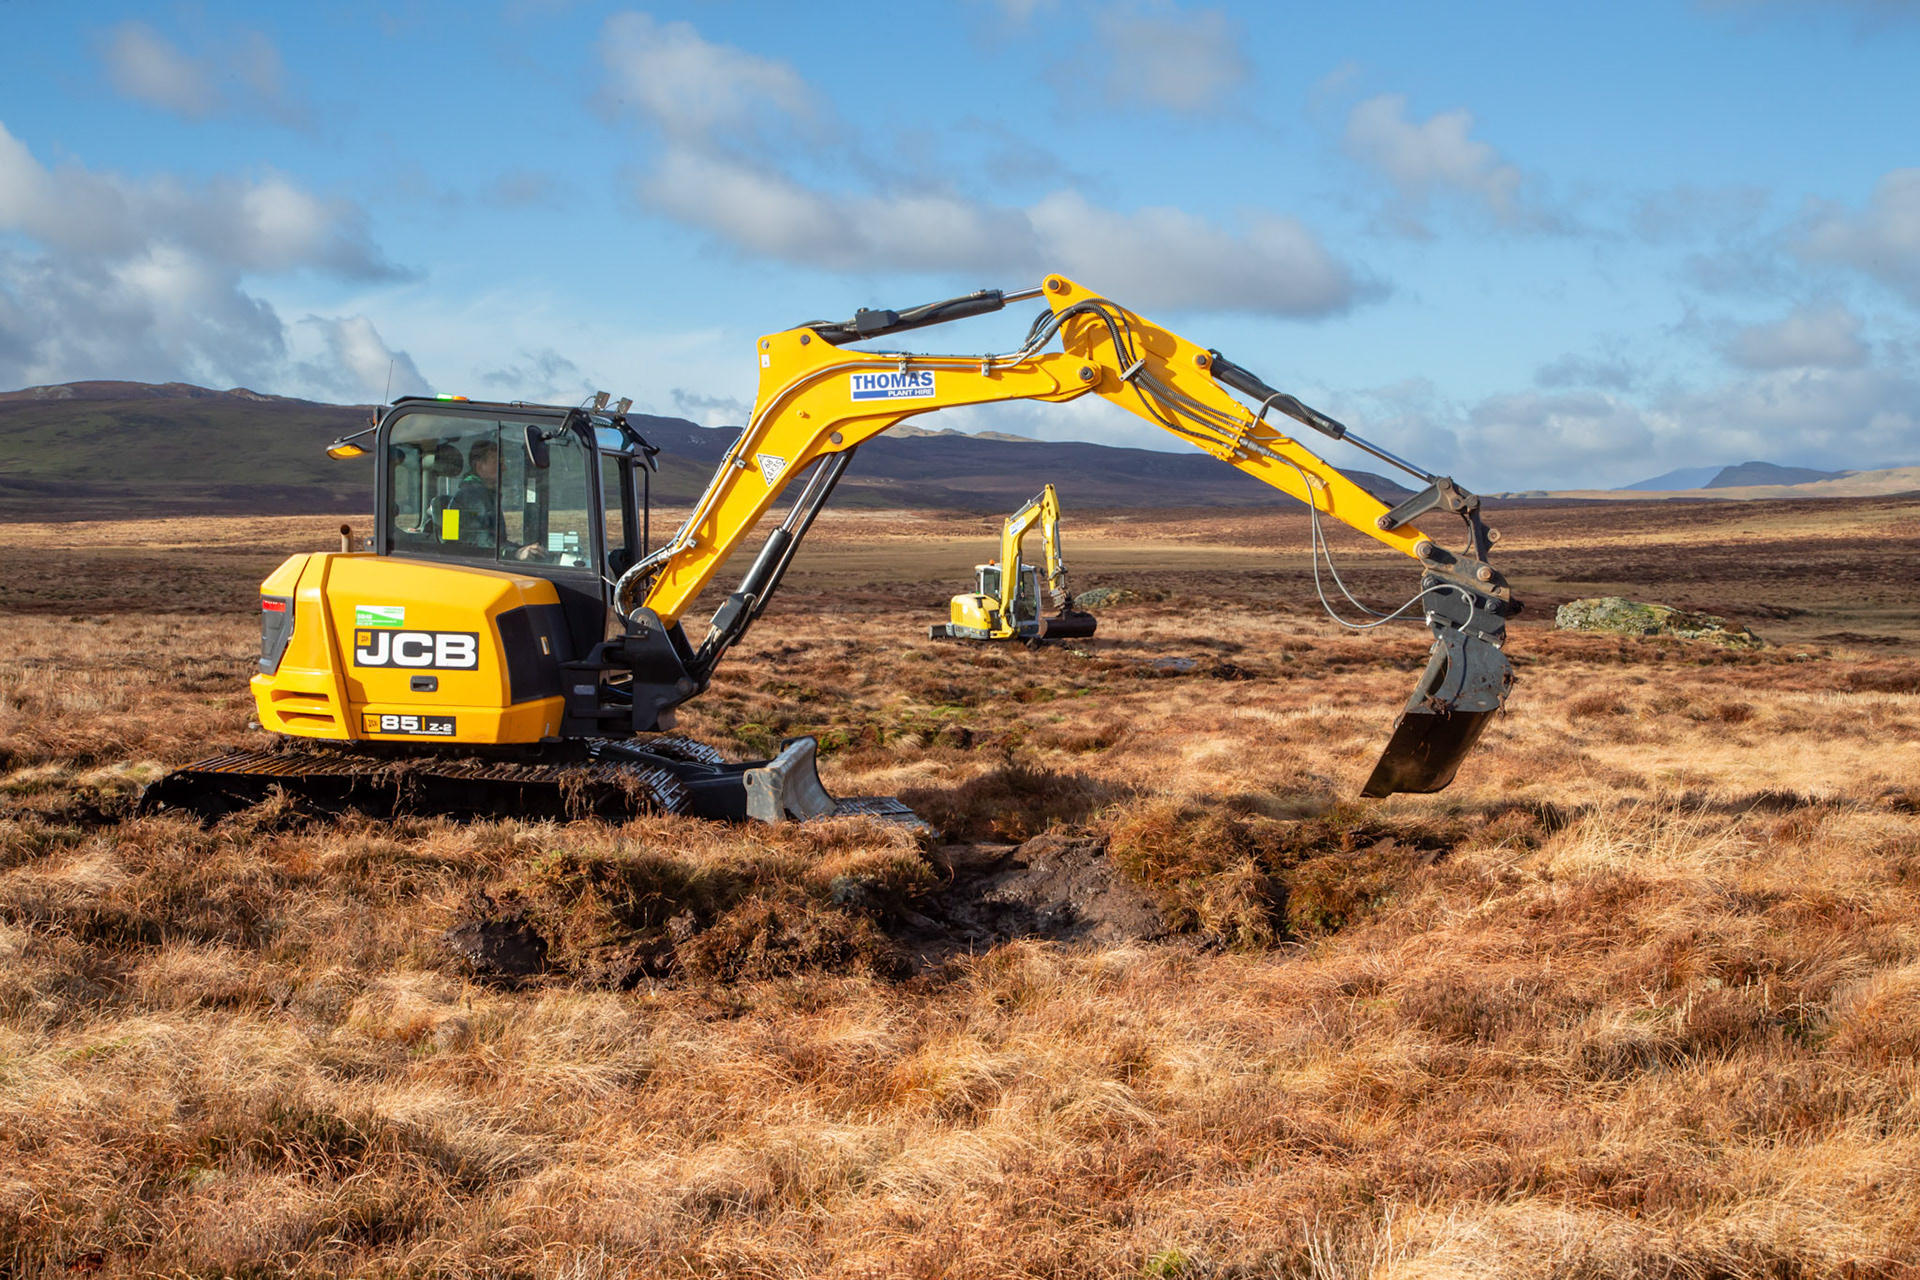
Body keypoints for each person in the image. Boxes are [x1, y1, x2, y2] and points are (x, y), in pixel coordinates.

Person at [449, 437, 500, 549]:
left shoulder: (486, 494)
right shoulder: (469, 496)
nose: (503, 468)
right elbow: (477, 540)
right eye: (496, 463)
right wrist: (512, 553)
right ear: (480, 466)